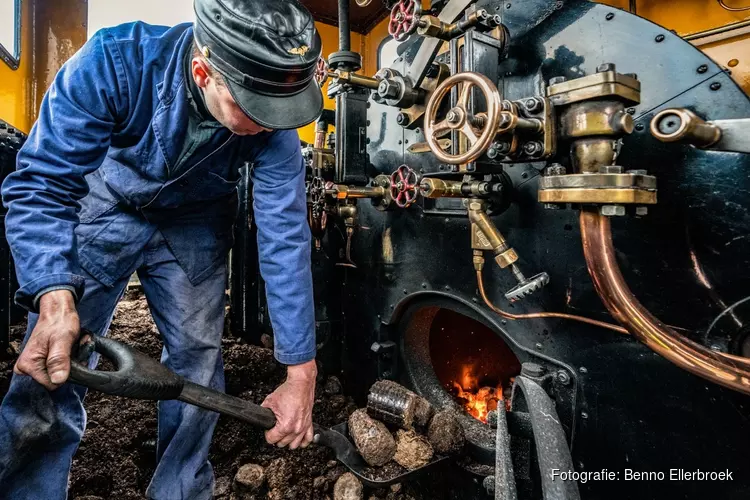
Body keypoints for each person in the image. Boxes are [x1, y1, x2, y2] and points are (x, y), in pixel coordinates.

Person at [0, 0, 323, 498]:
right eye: (254, 109)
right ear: (203, 71)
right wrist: (54, 295)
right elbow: (41, 183)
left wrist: (301, 369)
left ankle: (180, 488)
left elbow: (285, 237)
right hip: (106, 202)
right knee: (54, 353)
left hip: (195, 220)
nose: (268, 125)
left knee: (198, 360)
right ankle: (28, 488)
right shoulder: (114, 60)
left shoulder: (273, 129)